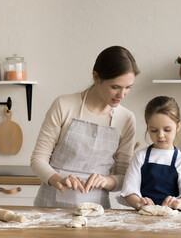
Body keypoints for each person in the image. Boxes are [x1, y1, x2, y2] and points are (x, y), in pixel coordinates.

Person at [31, 46, 140, 208]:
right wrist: (57, 179)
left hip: (97, 210)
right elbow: (38, 159)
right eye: (115, 87)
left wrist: (106, 181)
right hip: (50, 207)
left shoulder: (126, 119)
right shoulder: (64, 105)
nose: (122, 94)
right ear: (96, 77)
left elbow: (124, 176)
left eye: (128, 87)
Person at [117, 96, 181, 211]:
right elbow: (129, 192)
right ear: (148, 127)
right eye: (154, 130)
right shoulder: (140, 158)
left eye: (167, 130)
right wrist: (139, 202)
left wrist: (178, 203)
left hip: (175, 221)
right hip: (144, 218)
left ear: (178, 126)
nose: (160, 135)